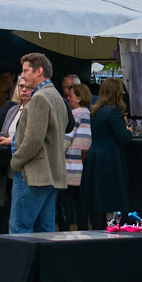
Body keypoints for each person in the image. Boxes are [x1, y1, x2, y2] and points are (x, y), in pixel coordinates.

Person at [10, 53, 69, 234]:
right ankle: (41, 264)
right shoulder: (57, 96)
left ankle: (21, 264)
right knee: (45, 232)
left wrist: (15, 162)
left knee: (20, 229)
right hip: (52, 174)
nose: (23, 75)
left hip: (33, 174)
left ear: (39, 71)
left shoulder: (39, 98)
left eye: (26, 71)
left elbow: (33, 140)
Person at [79, 78, 131, 229]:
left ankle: (97, 231)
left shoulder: (96, 111)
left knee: (97, 200)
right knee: (108, 199)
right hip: (109, 159)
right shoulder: (114, 112)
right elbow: (123, 137)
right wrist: (127, 129)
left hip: (94, 157)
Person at [59, 83, 92, 230]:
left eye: (70, 96)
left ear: (78, 97)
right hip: (84, 167)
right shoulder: (89, 115)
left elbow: (66, 138)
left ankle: (63, 233)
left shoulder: (74, 115)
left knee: (65, 205)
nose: (68, 99)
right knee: (82, 207)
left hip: (69, 166)